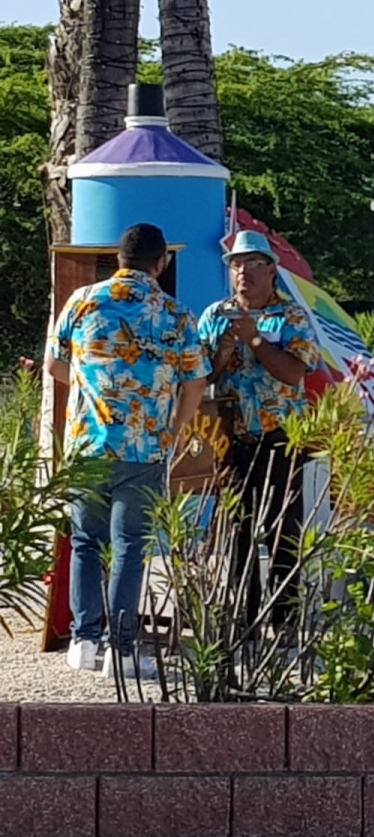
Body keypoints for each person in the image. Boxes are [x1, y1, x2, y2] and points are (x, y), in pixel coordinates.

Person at [45, 222, 209, 677]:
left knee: (85, 541)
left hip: (88, 443)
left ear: (119, 258)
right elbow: (196, 380)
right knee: (131, 545)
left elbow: (54, 364)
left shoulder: (82, 301)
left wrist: (91, 389)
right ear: (162, 262)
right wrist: (173, 427)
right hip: (146, 445)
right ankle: (122, 647)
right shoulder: (176, 315)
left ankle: (83, 641)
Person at [197, 230, 319, 633]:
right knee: (238, 528)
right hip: (231, 439)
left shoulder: (292, 317)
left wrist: (254, 339)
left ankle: (283, 620)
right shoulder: (216, 315)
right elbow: (199, 378)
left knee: (284, 528)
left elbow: (294, 373)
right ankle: (243, 617)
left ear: (271, 270)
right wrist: (223, 351)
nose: (242, 272)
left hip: (281, 436)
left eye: (251, 264)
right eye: (236, 264)